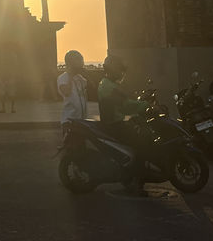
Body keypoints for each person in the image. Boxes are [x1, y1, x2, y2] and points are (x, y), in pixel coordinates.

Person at [98, 55, 150, 195]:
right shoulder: (109, 87)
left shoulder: (108, 84)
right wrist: (145, 105)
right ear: (112, 69)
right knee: (142, 144)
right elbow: (125, 105)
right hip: (114, 125)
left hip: (115, 122)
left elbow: (125, 101)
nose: (121, 73)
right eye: (119, 70)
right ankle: (135, 183)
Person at [57, 50, 88, 132]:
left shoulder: (80, 78)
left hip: (81, 120)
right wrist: (70, 75)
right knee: (70, 144)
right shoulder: (63, 78)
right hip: (69, 121)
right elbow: (66, 92)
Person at [0, 45, 18, 113]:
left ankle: (4, 109)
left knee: (2, 93)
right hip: (10, 77)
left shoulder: (1, 55)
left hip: (3, 76)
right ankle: (12, 108)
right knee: (12, 93)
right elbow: (16, 65)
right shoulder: (13, 55)